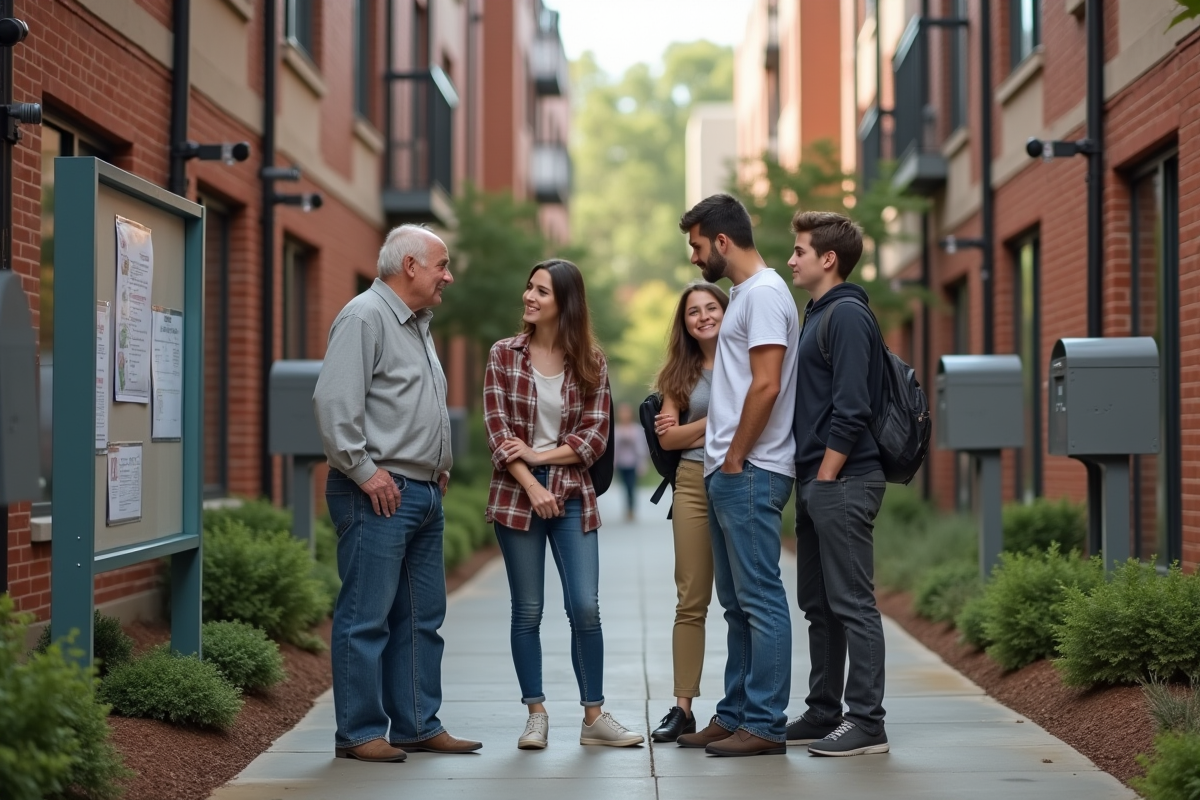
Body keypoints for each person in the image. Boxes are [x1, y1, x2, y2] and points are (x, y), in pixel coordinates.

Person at [312, 224, 481, 763]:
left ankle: (416, 724)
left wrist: (437, 464)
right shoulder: (365, 316)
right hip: (377, 494)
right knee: (366, 618)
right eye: (442, 265)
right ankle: (359, 733)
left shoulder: (416, 325)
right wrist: (365, 472)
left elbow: (407, 404)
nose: (447, 277)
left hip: (421, 492)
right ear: (410, 265)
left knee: (421, 618)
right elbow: (334, 403)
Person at [483, 258, 644, 751]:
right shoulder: (503, 355)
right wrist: (532, 482)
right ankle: (536, 714)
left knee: (584, 607)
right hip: (517, 494)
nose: (529, 297)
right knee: (527, 610)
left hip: (573, 493)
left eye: (542, 291)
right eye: (529, 287)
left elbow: (595, 436)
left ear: (565, 303)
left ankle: (594, 716)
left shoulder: (591, 361)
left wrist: (539, 455)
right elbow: (497, 431)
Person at [673, 194, 800, 757]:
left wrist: (734, 457)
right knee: (737, 604)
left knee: (761, 600)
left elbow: (766, 384)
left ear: (722, 241)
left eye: (698, 245)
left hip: (750, 470)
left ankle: (765, 723)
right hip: (731, 472)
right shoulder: (746, 295)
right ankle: (735, 714)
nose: (695, 257)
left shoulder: (766, 294)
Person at [786, 211, 890, 756]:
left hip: (843, 479)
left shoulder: (846, 314)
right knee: (819, 604)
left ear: (828, 259)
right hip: (818, 480)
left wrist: (825, 477)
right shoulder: (819, 312)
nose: (791, 260)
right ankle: (824, 711)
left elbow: (852, 408)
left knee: (852, 602)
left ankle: (867, 722)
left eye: (799, 251)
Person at [648, 281, 729, 743]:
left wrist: (692, 427)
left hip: (737, 478)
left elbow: (759, 413)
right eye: (693, 311)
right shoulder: (679, 372)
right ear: (685, 323)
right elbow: (668, 439)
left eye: (711, 307)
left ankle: (743, 705)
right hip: (692, 482)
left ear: (726, 311)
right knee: (691, 599)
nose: (703, 316)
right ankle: (683, 709)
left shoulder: (746, 359)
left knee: (743, 601)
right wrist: (719, 420)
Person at [612, 402, 649, 521]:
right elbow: (614, 449)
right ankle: (627, 508)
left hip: (633, 463)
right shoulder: (616, 429)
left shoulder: (637, 429)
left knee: (631, 486)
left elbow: (642, 448)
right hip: (621, 463)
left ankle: (631, 509)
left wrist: (642, 464)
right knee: (624, 487)